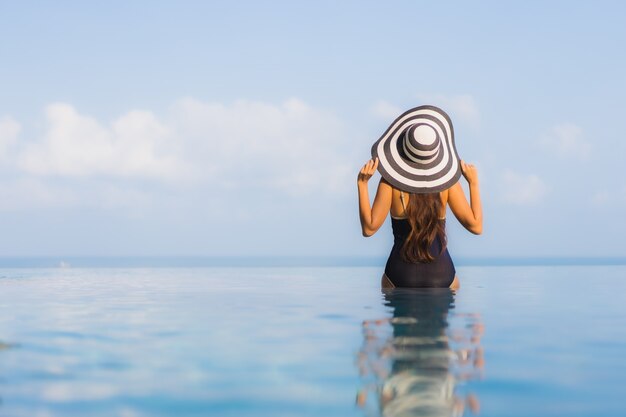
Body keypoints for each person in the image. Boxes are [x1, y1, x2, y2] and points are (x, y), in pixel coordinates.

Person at [357, 105, 482, 289]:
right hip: (442, 274)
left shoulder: (389, 183)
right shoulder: (448, 185)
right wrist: (473, 183)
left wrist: (362, 184)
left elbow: (368, 229)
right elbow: (476, 226)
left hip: (399, 274)